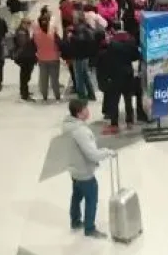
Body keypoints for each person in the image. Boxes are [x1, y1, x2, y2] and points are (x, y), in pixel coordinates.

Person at [63, 99, 115, 238]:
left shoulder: (68, 125)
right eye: (85, 109)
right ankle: (90, 228)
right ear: (79, 114)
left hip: (74, 169)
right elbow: (92, 155)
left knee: (76, 196)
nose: (88, 111)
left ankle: (75, 221)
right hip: (84, 172)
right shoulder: (80, 131)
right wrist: (107, 152)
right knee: (91, 199)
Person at [98, 22, 140, 133]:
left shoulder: (111, 45)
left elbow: (107, 62)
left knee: (114, 101)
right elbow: (135, 56)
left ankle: (114, 124)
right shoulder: (130, 41)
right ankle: (129, 121)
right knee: (128, 99)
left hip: (115, 76)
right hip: (128, 74)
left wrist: (106, 77)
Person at [69, 14, 99, 100]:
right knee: (85, 75)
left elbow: (80, 40)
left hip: (79, 56)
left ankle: (81, 96)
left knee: (79, 77)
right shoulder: (85, 27)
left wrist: (72, 37)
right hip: (85, 56)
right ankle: (91, 94)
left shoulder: (80, 29)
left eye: (75, 18)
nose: (73, 19)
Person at [34, 15, 63, 102]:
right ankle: (57, 96)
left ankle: (45, 96)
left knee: (43, 79)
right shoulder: (52, 32)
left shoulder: (36, 34)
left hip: (42, 58)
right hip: (54, 58)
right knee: (54, 79)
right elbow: (60, 43)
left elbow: (34, 45)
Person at [11, 17, 38, 101]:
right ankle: (25, 95)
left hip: (24, 56)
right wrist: (32, 39)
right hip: (24, 57)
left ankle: (23, 91)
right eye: (28, 23)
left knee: (25, 75)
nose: (29, 25)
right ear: (23, 23)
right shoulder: (21, 32)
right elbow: (23, 44)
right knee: (25, 75)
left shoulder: (23, 30)